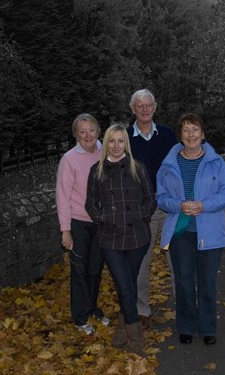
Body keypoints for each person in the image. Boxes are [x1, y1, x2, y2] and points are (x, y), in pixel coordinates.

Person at [156, 113, 225, 345]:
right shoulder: (168, 165)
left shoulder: (217, 163)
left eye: (195, 129)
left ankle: (208, 327)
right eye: (186, 130)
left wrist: (204, 205)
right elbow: (161, 198)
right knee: (183, 282)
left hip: (210, 233)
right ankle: (187, 326)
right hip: (181, 233)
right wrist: (178, 205)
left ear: (203, 134)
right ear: (180, 136)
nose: (191, 134)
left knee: (208, 283)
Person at [85, 123, 156, 355]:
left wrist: (140, 217)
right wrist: (105, 218)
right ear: (106, 143)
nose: (116, 146)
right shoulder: (97, 171)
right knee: (124, 286)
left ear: (126, 143)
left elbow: (150, 199)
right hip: (110, 238)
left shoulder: (138, 168)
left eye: (121, 141)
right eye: (112, 141)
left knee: (129, 285)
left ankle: (121, 329)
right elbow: (90, 204)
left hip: (137, 236)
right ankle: (137, 341)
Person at [126, 89, 177, 329]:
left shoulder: (168, 135)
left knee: (176, 259)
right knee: (140, 263)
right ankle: (141, 310)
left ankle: (184, 307)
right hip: (140, 211)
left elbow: (184, 161)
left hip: (168, 207)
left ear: (155, 108)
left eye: (148, 105)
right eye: (140, 106)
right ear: (133, 109)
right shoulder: (124, 138)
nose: (144, 110)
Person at [55, 113, 109, 335]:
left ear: (98, 131)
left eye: (92, 130)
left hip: (101, 222)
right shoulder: (69, 159)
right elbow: (62, 195)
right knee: (80, 269)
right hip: (78, 222)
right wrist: (65, 230)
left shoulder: (106, 152)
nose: (88, 135)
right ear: (76, 135)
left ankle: (92, 307)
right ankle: (80, 316)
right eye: (82, 131)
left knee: (96, 268)